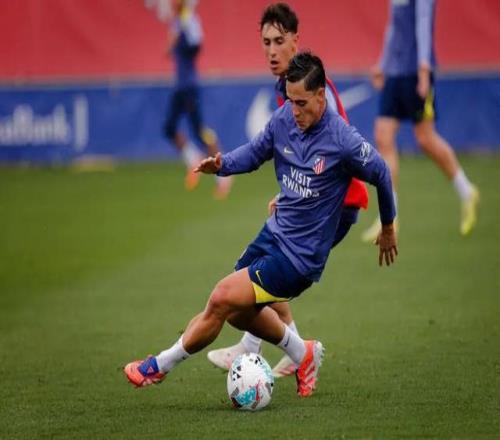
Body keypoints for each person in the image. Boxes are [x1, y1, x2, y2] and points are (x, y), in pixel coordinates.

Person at [124, 52, 398, 399]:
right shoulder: (284, 118)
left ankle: (159, 366)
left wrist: (388, 227)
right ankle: (302, 352)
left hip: (299, 259)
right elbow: (255, 153)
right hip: (272, 234)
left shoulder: (343, 140)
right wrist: (222, 165)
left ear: (321, 96)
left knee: (222, 297)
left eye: (302, 103)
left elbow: (381, 173)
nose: (294, 111)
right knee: (235, 313)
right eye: (291, 101)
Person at [206, 2, 369, 378]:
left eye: (279, 41)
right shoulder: (288, 87)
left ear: (296, 39)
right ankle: (285, 348)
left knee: (272, 268)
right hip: (316, 201)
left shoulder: (312, 88)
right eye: (266, 42)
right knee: (268, 268)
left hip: (336, 204)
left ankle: (274, 348)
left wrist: (300, 197)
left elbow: (335, 150)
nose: (272, 50)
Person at [361, 0, 479, 242]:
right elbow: (393, 27)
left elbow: (423, 24)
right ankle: (389, 216)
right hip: (395, 73)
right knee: (383, 136)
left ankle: (467, 191)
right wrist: (383, 64)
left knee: (425, 138)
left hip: (416, 72)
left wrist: (424, 70)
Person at [164, 0, 232, 199]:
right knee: (169, 128)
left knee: (200, 131)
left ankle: (225, 172)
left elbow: (196, 45)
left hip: (189, 86)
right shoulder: (177, 22)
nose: (170, 3)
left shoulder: (188, 21)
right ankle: (193, 157)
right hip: (180, 85)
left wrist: (180, 36)